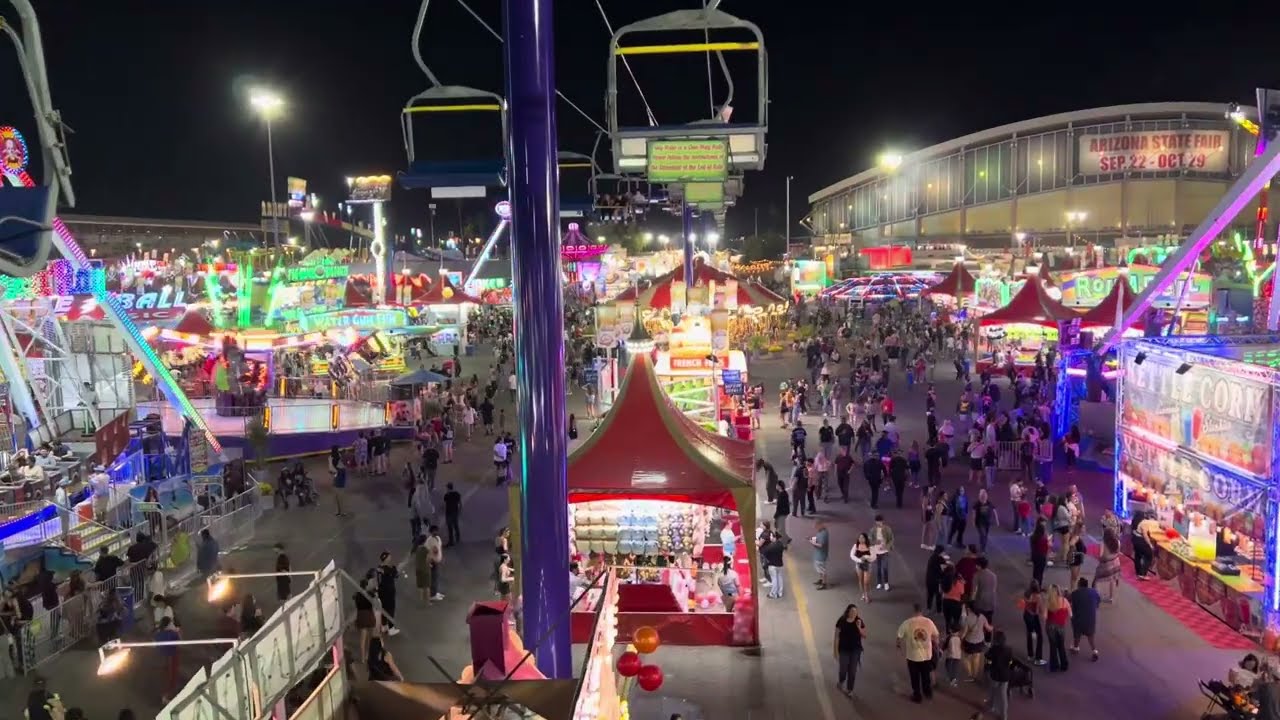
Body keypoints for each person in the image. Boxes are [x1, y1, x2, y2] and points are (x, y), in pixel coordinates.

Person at [896, 603, 939, 703]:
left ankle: (917, 696)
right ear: (921, 611)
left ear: (914, 611)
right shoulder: (929, 622)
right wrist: (936, 646)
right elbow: (936, 635)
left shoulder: (907, 623)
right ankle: (927, 692)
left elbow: (899, 636)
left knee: (914, 677)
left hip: (912, 656)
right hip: (926, 656)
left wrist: (898, 645)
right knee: (926, 675)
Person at [834, 604, 866, 696]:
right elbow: (836, 637)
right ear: (848, 612)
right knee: (843, 669)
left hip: (855, 650)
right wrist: (835, 651)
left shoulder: (859, 621)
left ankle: (850, 689)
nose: (854, 614)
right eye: (852, 612)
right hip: (843, 649)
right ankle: (841, 681)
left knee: (852, 671)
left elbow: (864, 636)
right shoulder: (842, 621)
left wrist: (859, 627)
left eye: (856, 612)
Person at [982, 631, 1014, 720]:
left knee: (992, 691)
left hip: (995, 674)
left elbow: (987, 656)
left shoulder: (994, 649)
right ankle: (1004, 715)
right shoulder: (1009, 649)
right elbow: (1010, 661)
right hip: (1005, 676)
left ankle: (991, 706)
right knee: (1003, 696)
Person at [1068, 577, 1100, 661]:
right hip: (1090, 619)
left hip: (1078, 619)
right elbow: (1098, 601)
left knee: (1077, 635)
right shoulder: (1093, 592)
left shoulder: (1075, 593)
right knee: (1090, 637)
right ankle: (1095, 651)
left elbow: (1068, 601)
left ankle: (1076, 648)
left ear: (1079, 585)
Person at [1044, 583, 1072, 672]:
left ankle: (1054, 666)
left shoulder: (1048, 602)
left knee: (1053, 646)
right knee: (1061, 646)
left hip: (1050, 626)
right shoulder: (1064, 601)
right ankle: (1064, 665)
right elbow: (1070, 614)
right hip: (1061, 626)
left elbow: (1044, 617)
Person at [761, 531, 786, 599]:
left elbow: (764, 553)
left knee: (774, 579)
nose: (770, 537)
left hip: (772, 565)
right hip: (779, 564)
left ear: (774, 537)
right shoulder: (781, 544)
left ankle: (773, 594)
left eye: (771, 536)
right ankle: (780, 593)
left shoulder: (770, 546)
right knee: (780, 578)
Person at [850, 533, 873, 602]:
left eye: (863, 538)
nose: (861, 539)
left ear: (866, 539)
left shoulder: (869, 546)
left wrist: (866, 557)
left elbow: (873, 556)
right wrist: (859, 560)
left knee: (866, 581)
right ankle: (863, 595)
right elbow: (852, 555)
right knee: (860, 580)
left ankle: (866, 594)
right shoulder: (856, 546)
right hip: (859, 565)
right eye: (860, 538)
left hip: (867, 565)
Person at [425, 525, 445, 601]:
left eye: (437, 530)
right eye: (434, 531)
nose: (436, 532)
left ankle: (435, 592)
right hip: (432, 562)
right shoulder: (429, 540)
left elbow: (439, 548)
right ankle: (432, 595)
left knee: (436, 578)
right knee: (434, 578)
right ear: (431, 532)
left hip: (437, 561)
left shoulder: (438, 538)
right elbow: (428, 551)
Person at [810, 520, 830, 590]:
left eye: (816, 526)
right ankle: (821, 579)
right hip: (818, 554)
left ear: (820, 525)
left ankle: (824, 583)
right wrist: (812, 539)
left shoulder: (824, 533)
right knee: (819, 568)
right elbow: (818, 539)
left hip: (821, 554)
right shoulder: (820, 532)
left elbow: (821, 545)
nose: (815, 527)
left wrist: (813, 543)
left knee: (822, 569)